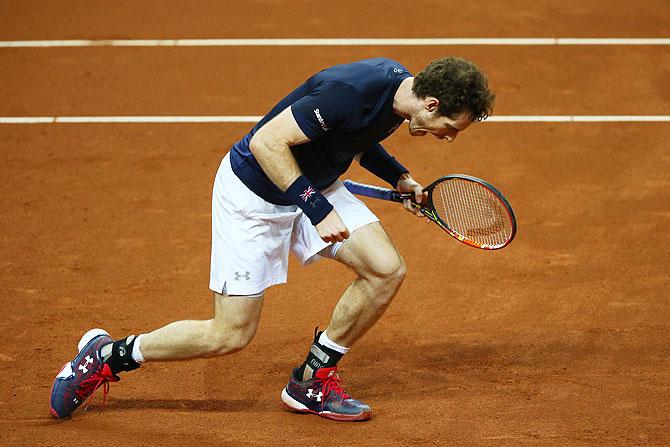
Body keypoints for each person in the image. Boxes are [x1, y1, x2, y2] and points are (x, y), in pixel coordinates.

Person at [50, 56, 494, 422]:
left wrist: (399, 177)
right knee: (229, 335)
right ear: (432, 104)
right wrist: (317, 210)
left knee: (385, 270)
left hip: (312, 185)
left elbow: (359, 138)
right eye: (451, 127)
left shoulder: (400, 98)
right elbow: (267, 143)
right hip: (255, 195)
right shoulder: (351, 91)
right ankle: (108, 355)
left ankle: (310, 380)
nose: (449, 138)